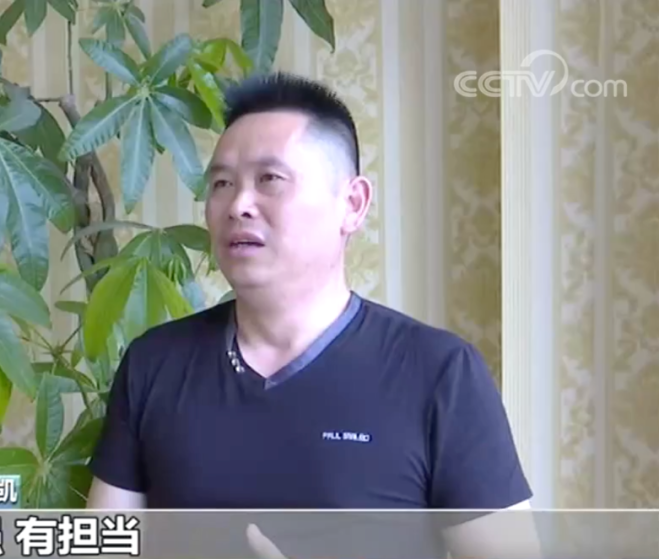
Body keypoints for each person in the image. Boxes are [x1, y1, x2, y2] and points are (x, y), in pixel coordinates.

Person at [85, 73, 542, 558]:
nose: (238, 205)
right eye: (221, 183)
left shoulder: (439, 374)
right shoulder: (154, 363)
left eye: (270, 180)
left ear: (352, 204)